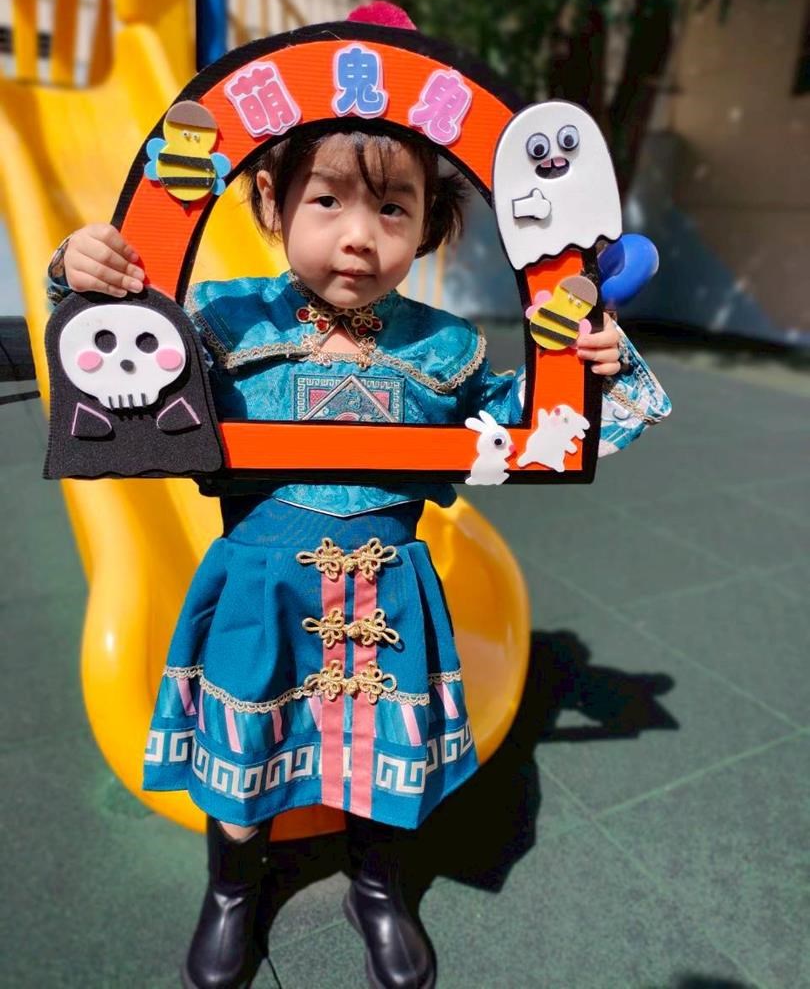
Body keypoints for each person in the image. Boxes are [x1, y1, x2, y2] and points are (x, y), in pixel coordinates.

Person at [48, 115, 665, 989]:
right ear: (273, 200)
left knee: (386, 754)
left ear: (430, 222)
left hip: (388, 592)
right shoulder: (220, 320)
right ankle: (232, 891)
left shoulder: (444, 347)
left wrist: (588, 367)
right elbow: (115, 368)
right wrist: (81, 278)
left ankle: (377, 889)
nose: (359, 237)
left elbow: (533, 421)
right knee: (246, 740)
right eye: (328, 201)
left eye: (393, 209)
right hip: (261, 586)